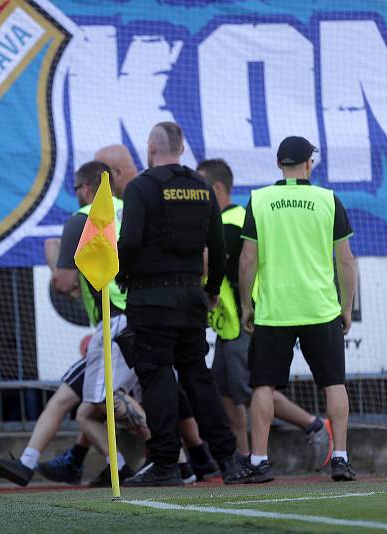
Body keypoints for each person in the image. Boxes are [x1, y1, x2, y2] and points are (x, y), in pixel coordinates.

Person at [0, 162, 150, 488]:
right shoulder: (132, 211)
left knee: (93, 404)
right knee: (73, 397)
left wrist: (55, 261)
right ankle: (35, 462)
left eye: (76, 189)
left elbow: (62, 282)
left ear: (85, 188)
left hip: (114, 322)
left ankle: (162, 458)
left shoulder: (83, 218)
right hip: (143, 315)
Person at [118, 121, 248, 486]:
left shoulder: (141, 187)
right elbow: (218, 251)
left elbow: (128, 243)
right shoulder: (202, 187)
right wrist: (210, 291)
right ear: (181, 148)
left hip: (151, 297)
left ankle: (165, 465)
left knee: (157, 378)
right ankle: (229, 460)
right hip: (192, 296)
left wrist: (123, 277)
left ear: (151, 147)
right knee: (198, 377)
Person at [197, 158, 333, 471]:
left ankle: (313, 425)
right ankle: (242, 458)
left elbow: (212, 265)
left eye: (202, 189)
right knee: (226, 394)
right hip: (227, 327)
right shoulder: (224, 220)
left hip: (246, 324)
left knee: (254, 390)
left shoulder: (231, 222)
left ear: (217, 188)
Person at [239, 136, 357, 482]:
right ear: (309, 164)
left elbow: (248, 260)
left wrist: (248, 305)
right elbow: (346, 260)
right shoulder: (327, 200)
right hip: (320, 308)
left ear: (279, 164)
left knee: (263, 386)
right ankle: (340, 458)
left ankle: (259, 461)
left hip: (274, 309)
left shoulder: (259, 200)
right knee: (334, 382)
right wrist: (346, 307)